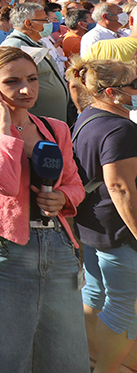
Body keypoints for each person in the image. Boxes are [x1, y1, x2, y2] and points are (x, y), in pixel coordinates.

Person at [0, 46, 88, 372]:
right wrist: (3, 129)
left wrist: (64, 199)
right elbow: (1, 183)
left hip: (57, 250)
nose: (26, 89)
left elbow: (74, 184)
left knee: (65, 359)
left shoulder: (56, 128)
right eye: (12, 81)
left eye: (32, 78)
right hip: (1, 253)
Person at [67, 57, 137, 373]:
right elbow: (120, 187)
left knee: (95, 292)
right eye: (133, 85)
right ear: (112, 92)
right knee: (124, 307)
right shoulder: (121, 129)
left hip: (93, 223)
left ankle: (90, 359)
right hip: (119, 230)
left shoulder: (87, 115)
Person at [1, 3, 73, 124]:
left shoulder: (37, 43)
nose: (48, 23)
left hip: (51, 119)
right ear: (29, 24)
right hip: (35, 122)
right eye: (45, 20)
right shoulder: (16, 46)